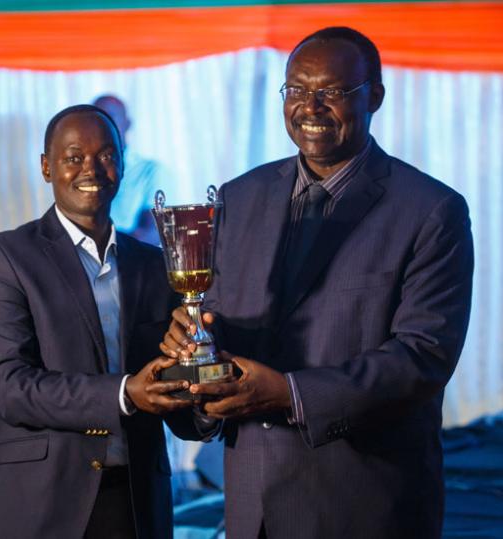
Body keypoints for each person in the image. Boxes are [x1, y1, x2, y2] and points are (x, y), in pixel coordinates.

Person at [162, 27, 473, 538]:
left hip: (362, 507)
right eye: (297, 90)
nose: (311, 106)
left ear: (374, 95)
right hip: (250, 507)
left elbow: (422, 357)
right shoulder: (238, 198)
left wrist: (289, 395)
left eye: (332, 91)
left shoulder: (430, 210)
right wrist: (192, 351)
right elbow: (218, 325)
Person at [0, 104, 205, 538]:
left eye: (106, 155)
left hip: (137, 500)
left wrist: (205, 386)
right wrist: (123, 394)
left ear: (123, 163)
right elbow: (5, 385)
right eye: (74, 156)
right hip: (41, 501)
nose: (91, 168)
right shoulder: (5, 256)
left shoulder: (155, 265)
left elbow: (169, 383)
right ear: (46, 166)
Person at [93, 95, 171, 233]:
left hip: (128, 253)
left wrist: (108, 250)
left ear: (128, 123)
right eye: (96, 120)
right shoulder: (82, 171)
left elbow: (153, 232)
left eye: (110, 117)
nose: (102, 125)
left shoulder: (150, 171)